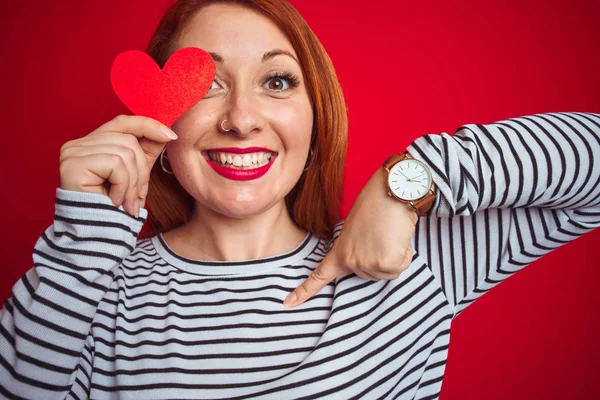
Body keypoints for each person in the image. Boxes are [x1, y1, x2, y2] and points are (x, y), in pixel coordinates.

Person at [1, 0, 598, 398]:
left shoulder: (407, 263)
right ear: (156, 118)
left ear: (315, 117)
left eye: (277, 81)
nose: (240, 119)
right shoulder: (90, 290)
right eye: (206, 85)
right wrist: (82, 243)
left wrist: (408, 182)